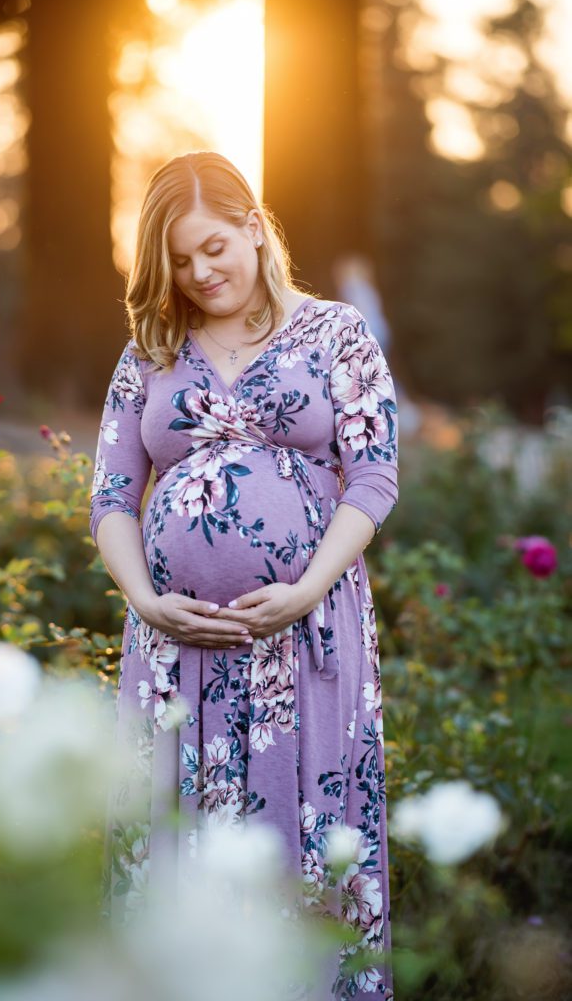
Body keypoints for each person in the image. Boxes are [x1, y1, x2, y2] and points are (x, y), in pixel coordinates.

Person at [90, 150, 398, 1000]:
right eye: (180, 261)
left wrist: (305, 590)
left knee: (293, 849)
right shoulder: (152, 346)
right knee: (177, 852)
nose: (198, 274)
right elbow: (111, 497)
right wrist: (147, 602)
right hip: (173, 650)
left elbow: (374, 478)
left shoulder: (337, 334)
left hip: (303, 641)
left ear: (255, 229)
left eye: (212, 249)